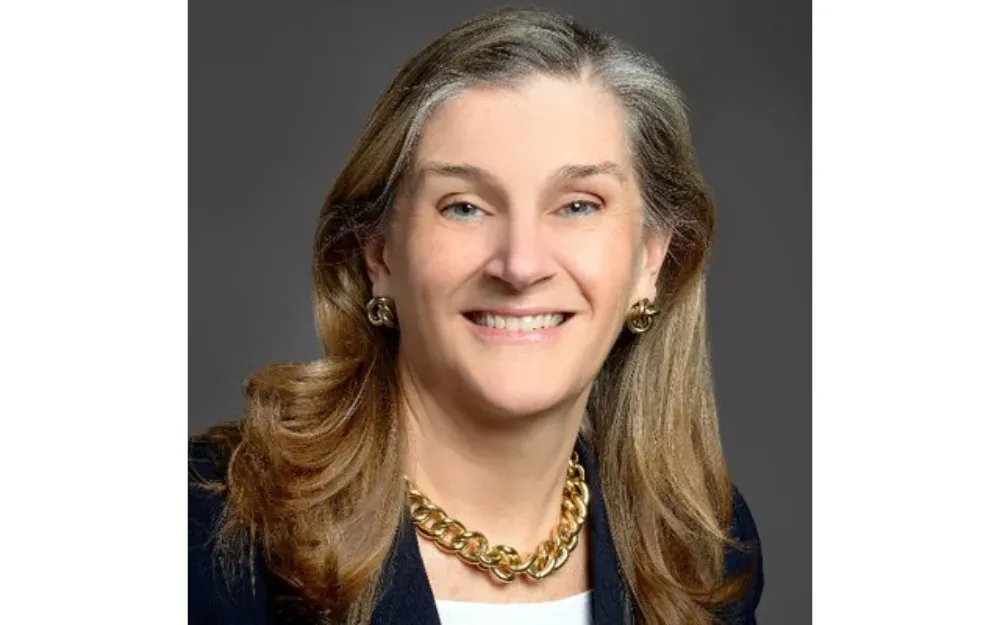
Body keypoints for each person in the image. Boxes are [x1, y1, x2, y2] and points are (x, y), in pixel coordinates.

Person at [189, 6, 763, 624]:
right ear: (379, 254)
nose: (520, 266)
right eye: (464, 207)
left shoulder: (704, 549)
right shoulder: (208, 531)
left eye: (577, 205)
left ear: (651, 260)